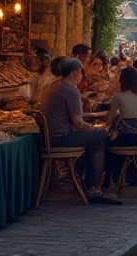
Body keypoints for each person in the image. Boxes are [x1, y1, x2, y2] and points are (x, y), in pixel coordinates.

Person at [40, 58, 121, 204]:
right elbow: (78, 123)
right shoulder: (70, 90)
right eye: (80, 73)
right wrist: (94, 129)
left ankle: (83, 175)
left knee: (97, 138)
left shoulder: (50, 87)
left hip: (49, 136)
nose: (82, 76)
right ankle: (94, 187)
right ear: (75, 73)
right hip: (62, 137)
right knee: (101, 136)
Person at [101, 66, 137, 196]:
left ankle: (108, 182)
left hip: (126, 138)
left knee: (105, 146)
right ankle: (115, 180)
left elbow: (110, 120)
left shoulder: (119, 97)